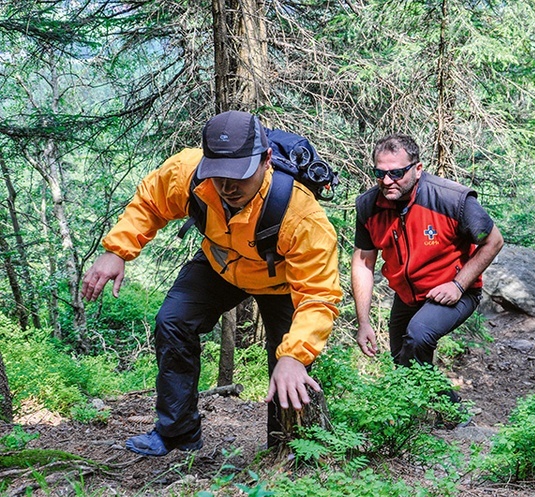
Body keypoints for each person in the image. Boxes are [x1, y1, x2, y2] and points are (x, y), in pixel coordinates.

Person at [81, 111, 342, 456]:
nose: (228, 186)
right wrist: (118, 251)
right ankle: (178, 433)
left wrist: (295, 355)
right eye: (218, 175)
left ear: (266, 161)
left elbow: (318, 296)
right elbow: (150, 201)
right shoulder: (189, 173)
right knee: (173, 322)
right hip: (220, 265)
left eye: (239, 176)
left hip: (280, 283)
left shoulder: (302, 215)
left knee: (289, 367)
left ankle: (287, 450)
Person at [352, 133, 503, 401]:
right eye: (380, 172)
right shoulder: (369, 206)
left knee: (418, 335)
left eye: (397, 173)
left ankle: (451, 409)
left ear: (417, 168)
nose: (387, 181)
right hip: (408, 295)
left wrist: (458, 284)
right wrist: (363, 322)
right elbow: (364, 262)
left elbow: (493, 241)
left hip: (457, 291)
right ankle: (416, 419)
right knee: (401, 361)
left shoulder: (451, 199)